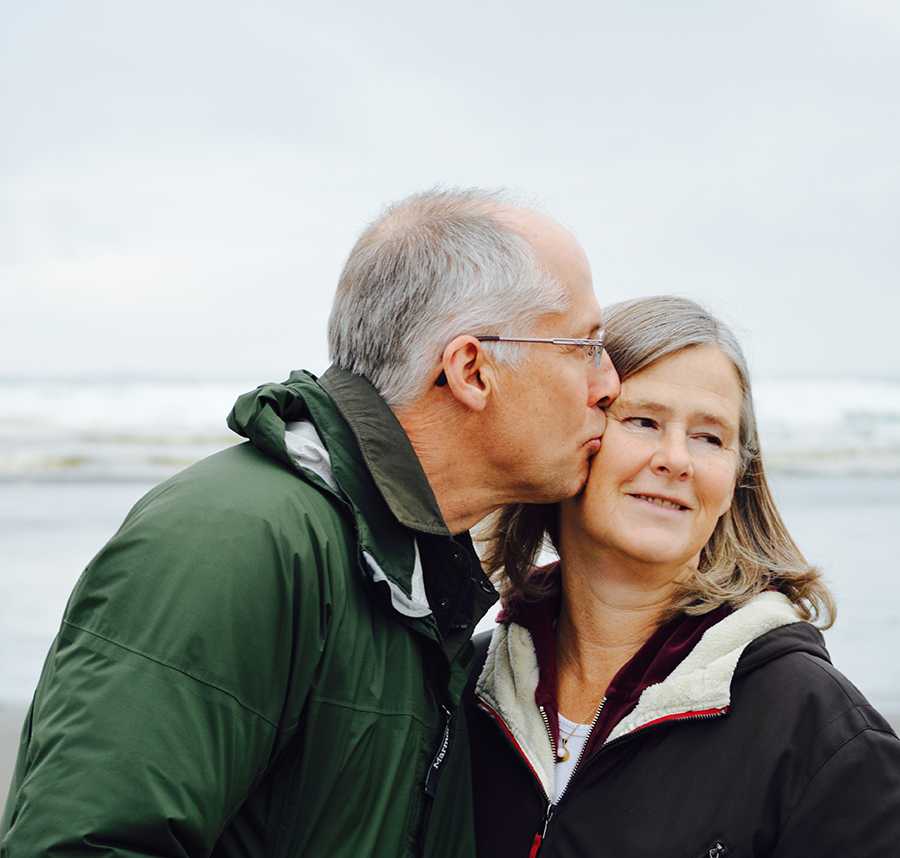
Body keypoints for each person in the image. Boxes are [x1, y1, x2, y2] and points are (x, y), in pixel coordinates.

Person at [0, 189, 620, 857]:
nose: (608, 384)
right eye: (584, 346)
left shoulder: (406, 571)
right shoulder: (236, 541)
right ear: (471, 370)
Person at [465, 295, 900, 858]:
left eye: (709, 436)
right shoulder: (466, 687)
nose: (676, 459)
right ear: (575, 436)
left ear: (735, 481)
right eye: (643, 421)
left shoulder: (820, 731)